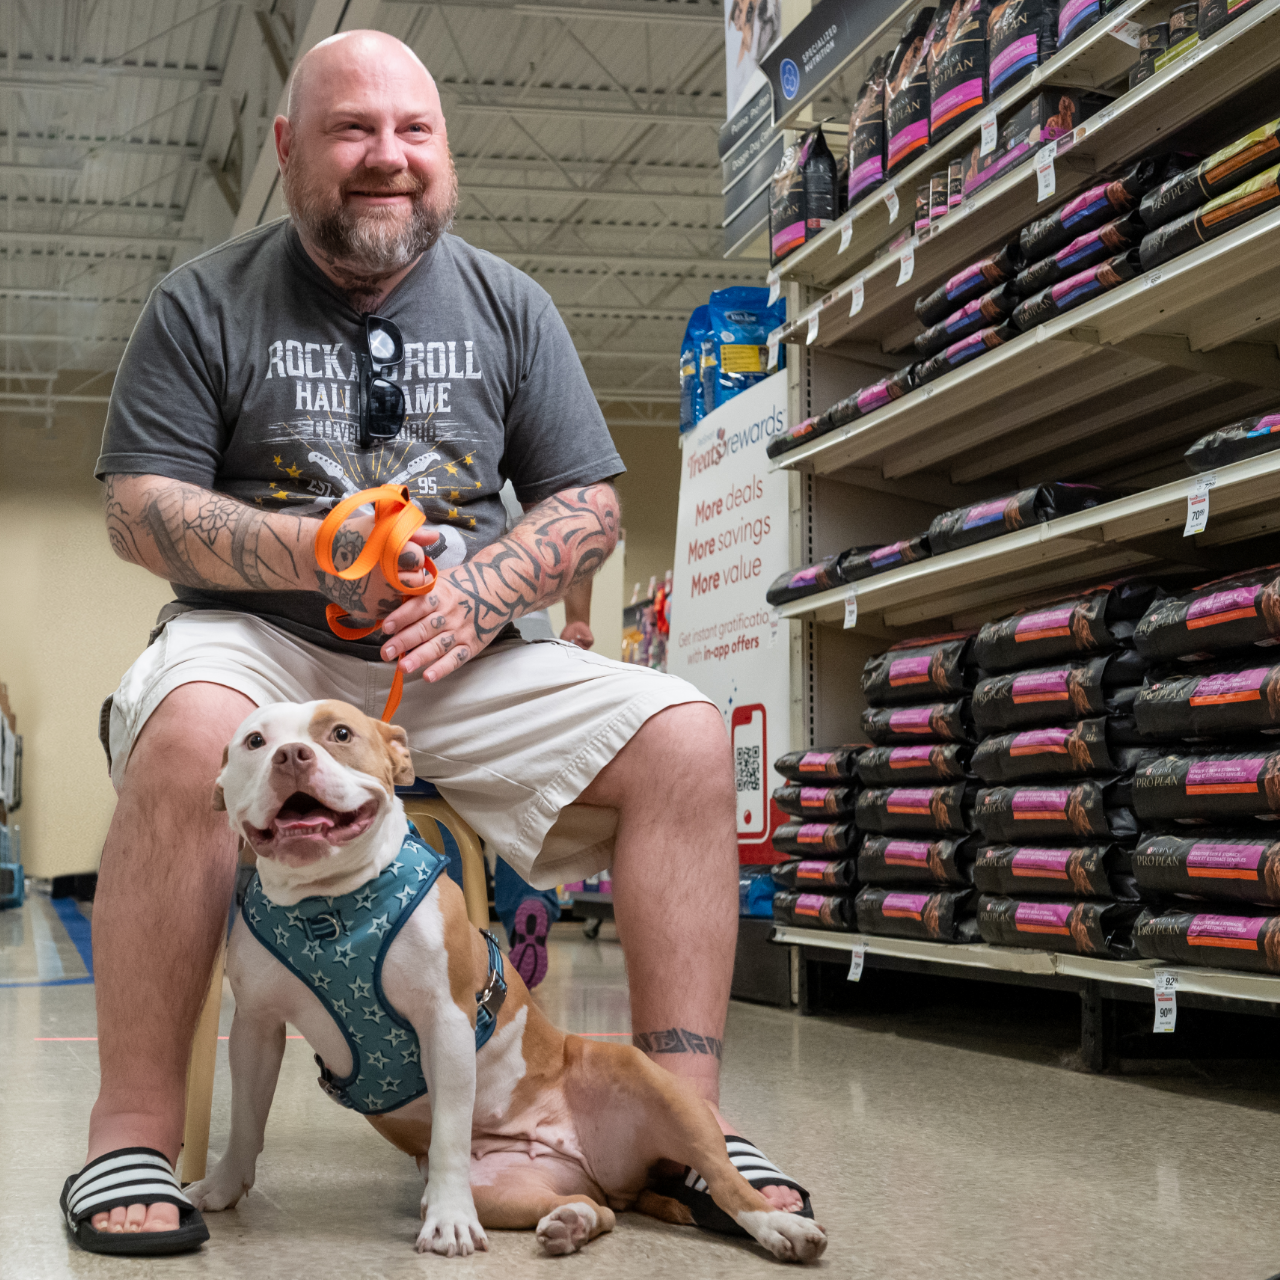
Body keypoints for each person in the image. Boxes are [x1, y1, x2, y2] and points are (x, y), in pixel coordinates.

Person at [68, 29, 811, 1254]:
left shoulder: (508, 303)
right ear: (288, 144)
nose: (387, 158)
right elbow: (136, 507)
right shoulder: (201, 299)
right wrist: (309, 550)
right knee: (190, 729)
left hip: (459, 653)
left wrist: (483, 593)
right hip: (259, 643)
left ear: (444, 151)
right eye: (354, 130)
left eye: (414, 132)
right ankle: (132, 1132)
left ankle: (692, 1133)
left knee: (682, 732)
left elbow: (589, 504)